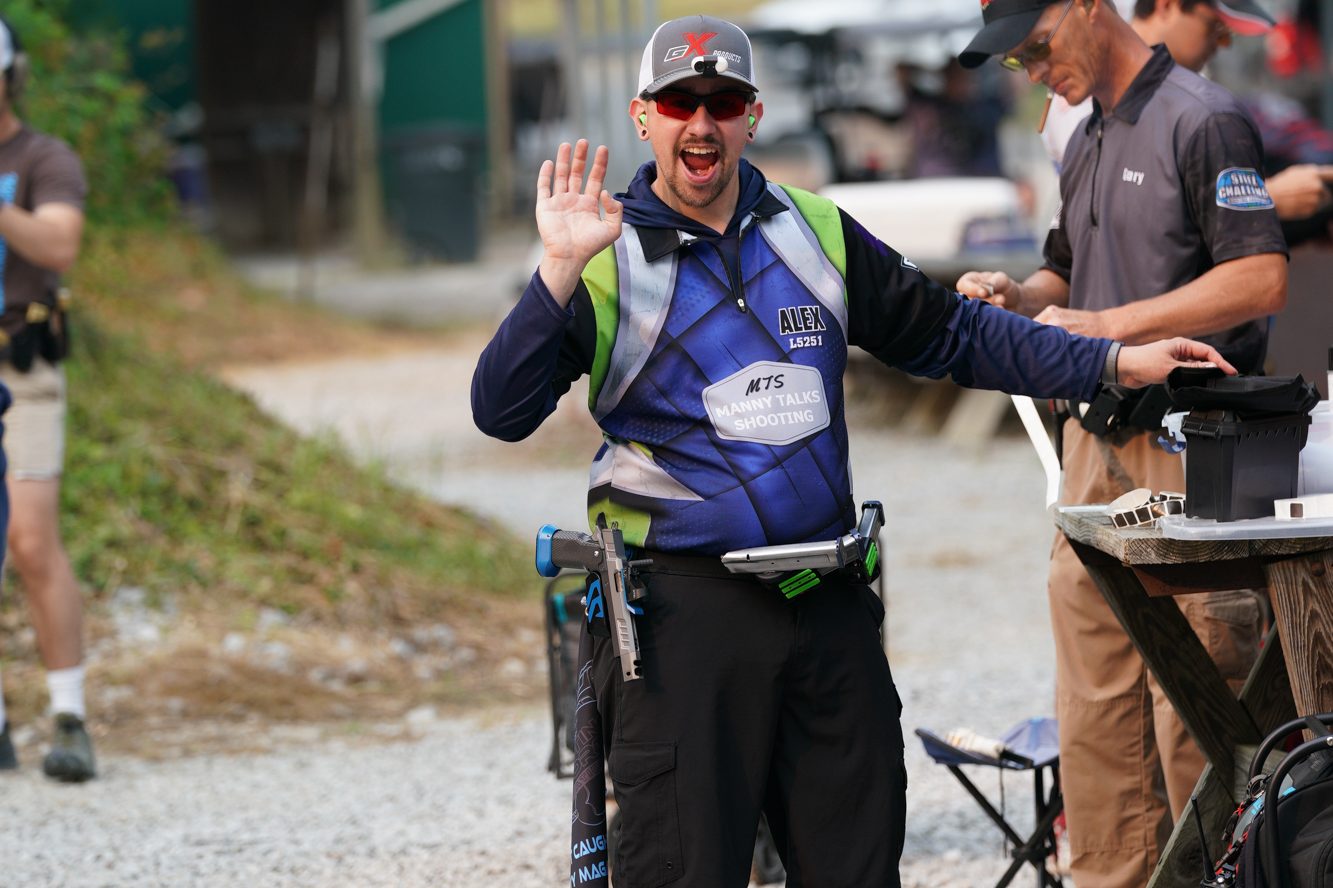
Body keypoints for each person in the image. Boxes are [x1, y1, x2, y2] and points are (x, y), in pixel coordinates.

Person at [473, 14, 1238, 886]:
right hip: (682, 622)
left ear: (751, 116)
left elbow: (953, 334)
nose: (700, 123)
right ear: (643, 116)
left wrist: (1109, 358)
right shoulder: (604, 257)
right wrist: (556, 273)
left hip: (827, 607)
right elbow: (500, 410)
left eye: (721, 102)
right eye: (679, 101)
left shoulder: (814, 232)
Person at [956, 2, 1288, 885]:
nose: (1031, 70)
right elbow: (1064, 271)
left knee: (1195, 707)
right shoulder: (1084, 136)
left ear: (1085, 6)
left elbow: (1259, 278)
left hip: (1191, 447)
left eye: (1036, 47)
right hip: (1089, 447)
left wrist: (1105, 326)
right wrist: (1018, 297)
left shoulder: (1203, 117)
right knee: (1095, 708)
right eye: (1014, 62)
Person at [0, 14, 94, 783]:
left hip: (21, 370)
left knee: (31, 542)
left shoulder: (42, 158)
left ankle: (69, 715)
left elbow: (58, 245)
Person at [1040, 0, 1333, 230]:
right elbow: (1113, 224)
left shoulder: (1191, 89)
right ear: (1166, 5)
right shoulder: (1083, 90)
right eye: (1215, 26)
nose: (1222, 44)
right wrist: (1266, 200)